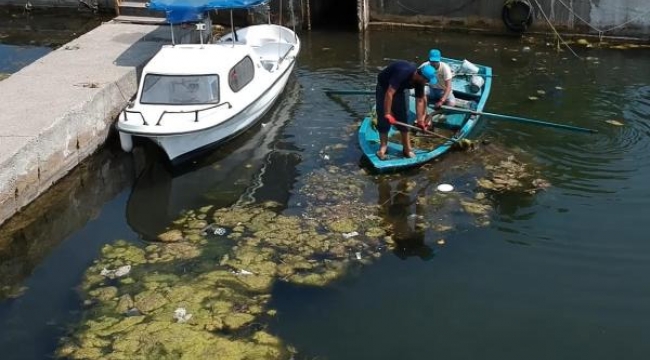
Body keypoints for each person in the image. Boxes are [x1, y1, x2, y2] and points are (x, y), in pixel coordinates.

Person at [375, 61, 436, 160]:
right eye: (427, 80)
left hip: (401, 90)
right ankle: (383, 147)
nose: (427, 83)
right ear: (420, 76)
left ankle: (407, 149)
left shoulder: (420, 82)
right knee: (383, 117)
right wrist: (388, 113)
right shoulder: (402, 72)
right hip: (384, 87)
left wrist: (420, 121)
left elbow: (420, 100)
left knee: (403, 117)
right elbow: (389, 93)